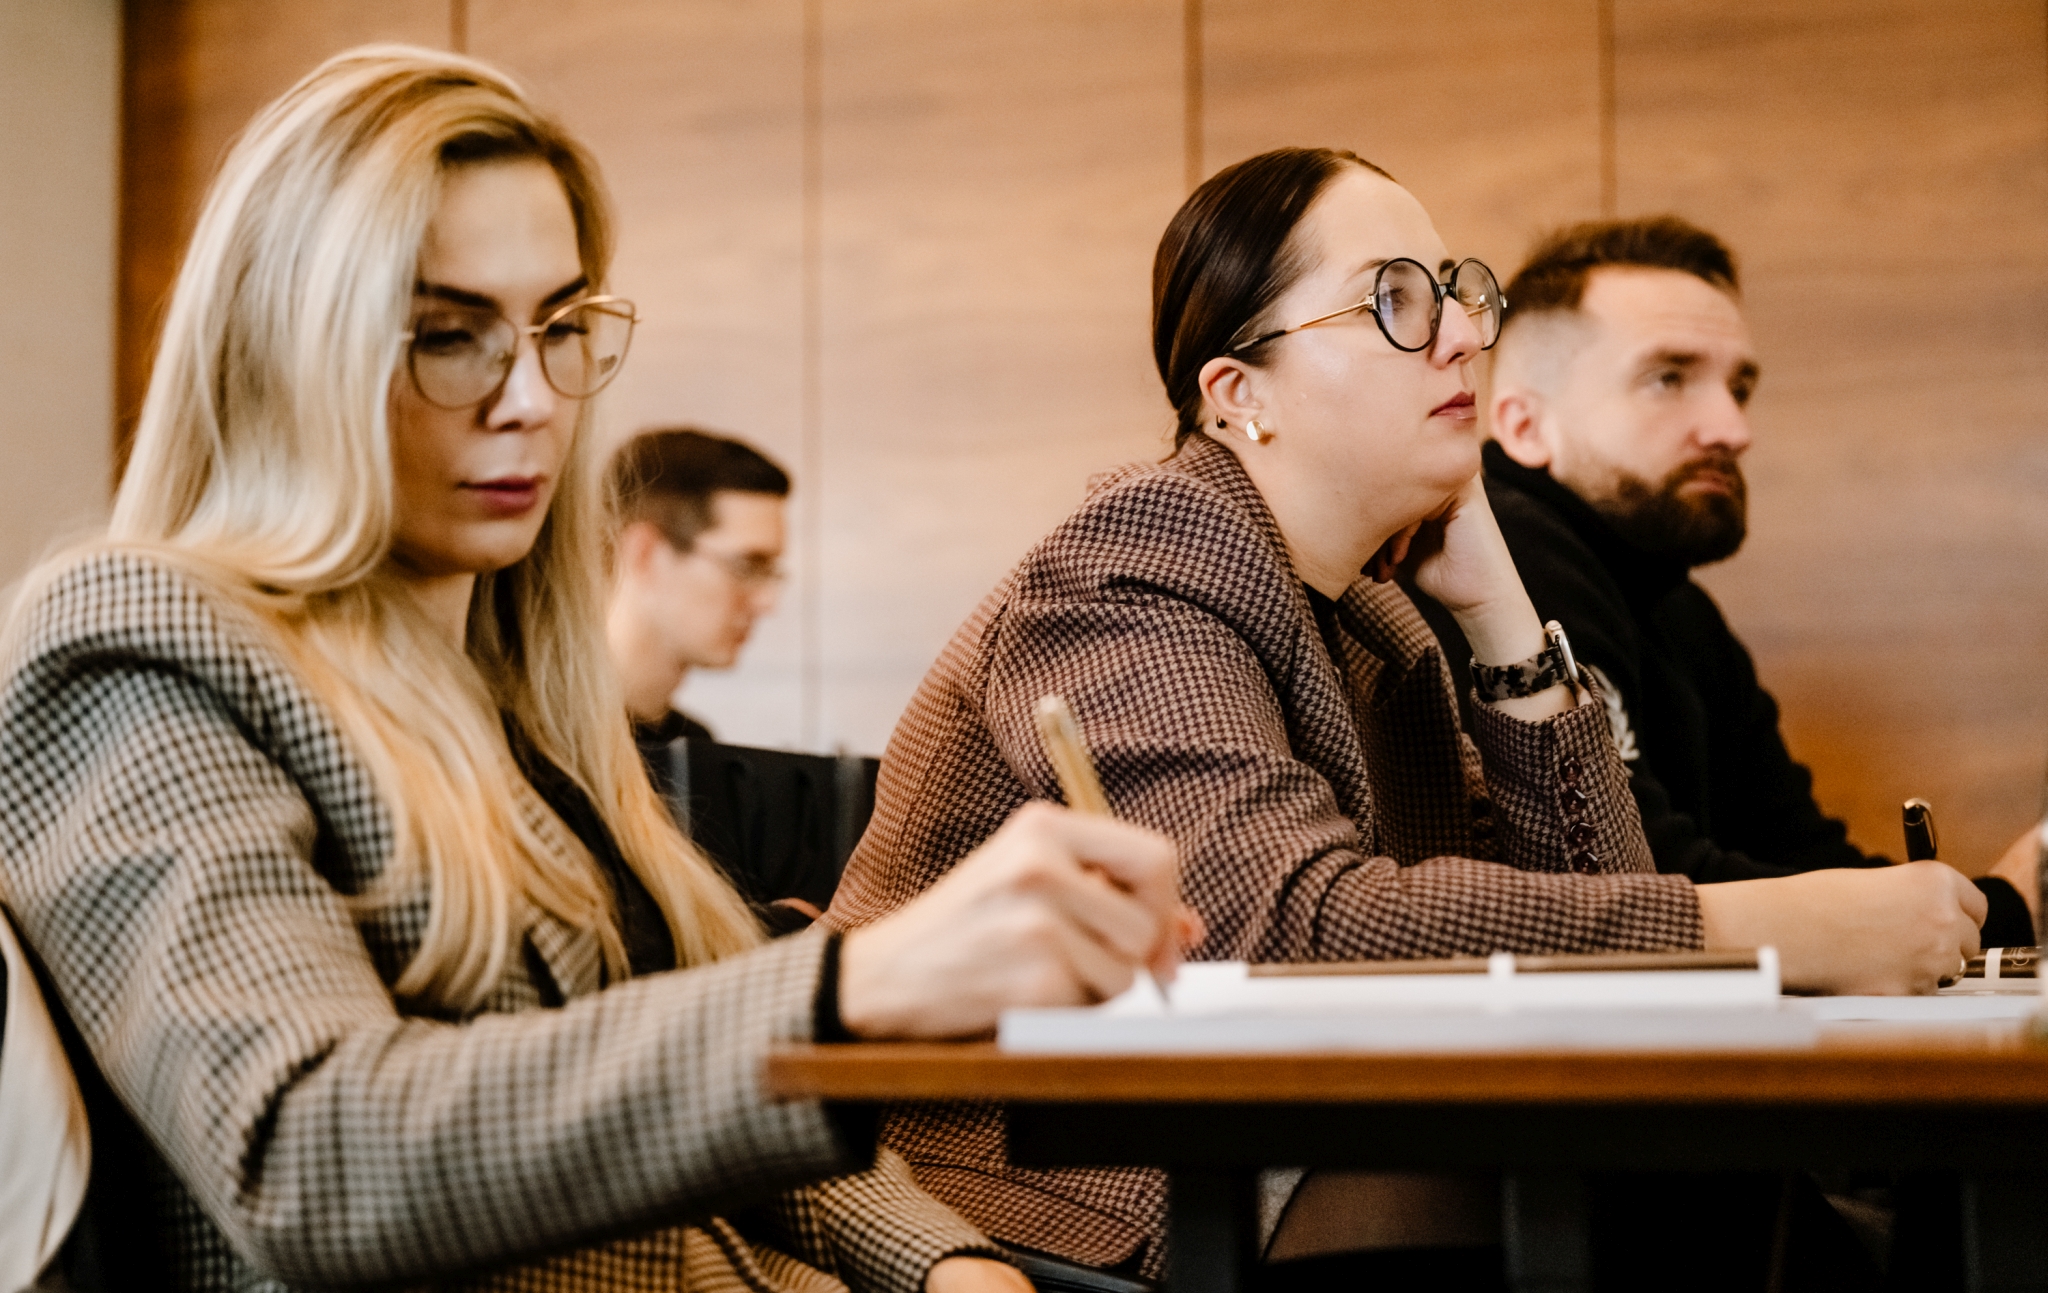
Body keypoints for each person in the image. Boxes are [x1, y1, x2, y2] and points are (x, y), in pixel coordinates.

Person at [0, 45, 1194, 1292]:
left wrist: (941, 1263)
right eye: (448, 336)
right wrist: (857, 987)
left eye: (560, 328)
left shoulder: (523, 694)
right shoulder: (137, 643)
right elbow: (309, 1153)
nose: (531, 399)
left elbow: (722, 1089)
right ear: (289, 353)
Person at [823, 148, 1985, 1281]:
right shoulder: (1140, 553)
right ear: (1240, 395)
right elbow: (1280, 932)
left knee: (1719, 1174)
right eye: (1393, 300)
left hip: (1270, 1129)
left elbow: (1590, 915)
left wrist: (1498, 618)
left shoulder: (1374, 620)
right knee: (1679, 1187)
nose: (1465, 333)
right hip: (1040, 1182)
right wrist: (1764, 931)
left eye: (1457, 291)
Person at [1412, 216, 2035, 946]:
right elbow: (1645, 892)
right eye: (1669, 378)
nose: (1733, 429)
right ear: (1524, 426)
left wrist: (1974, 912)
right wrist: (2010, 905)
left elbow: (1802, 857)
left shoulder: (1680, 608)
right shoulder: (1507, 555)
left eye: (1739, 387)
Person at [606, 428, 790, 753]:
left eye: (769, 572)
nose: (767, 602)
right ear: (645, 554)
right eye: (747, 566)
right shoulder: (534, 739)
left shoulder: (695, 746)